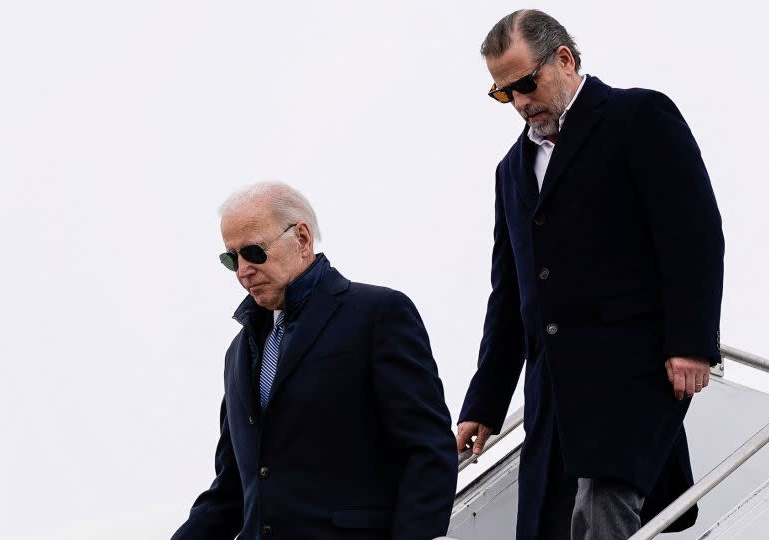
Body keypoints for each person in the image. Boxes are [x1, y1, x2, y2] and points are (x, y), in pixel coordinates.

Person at [455, 9, 724, 540]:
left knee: (603, 508)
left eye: (526, 84)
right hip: (552, 390)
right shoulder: (510, 171)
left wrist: (691, 342)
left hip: (631, 370)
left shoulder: (639, 116)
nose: (520, 102)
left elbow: (692, 232)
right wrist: (484, 402)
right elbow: (510, 294)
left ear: (564, 58)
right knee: (546, 526)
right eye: (503, 94)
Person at [172, 181, 458, 540]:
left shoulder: (377, 315)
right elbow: (232, 489)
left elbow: (427, 450)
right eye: (232, 258)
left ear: (302, 239)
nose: (243, 270)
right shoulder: (237, 354)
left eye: (254, 252)